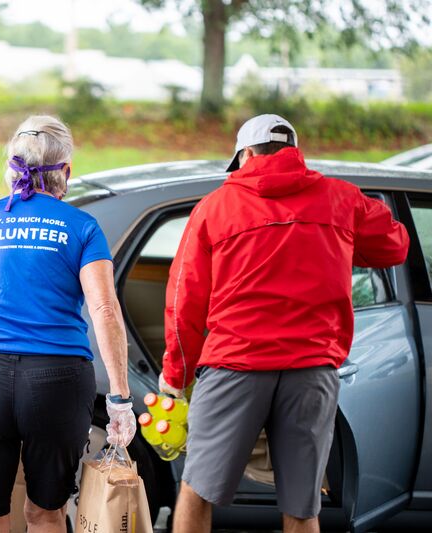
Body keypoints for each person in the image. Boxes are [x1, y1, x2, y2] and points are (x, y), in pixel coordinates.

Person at [158, 114, 410, 533]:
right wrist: (340, 241)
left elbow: (184, 301)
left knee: (197, 489)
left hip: (234, 366)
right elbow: (395, 246)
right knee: (302, 505)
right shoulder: (341, 199)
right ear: (294, 152)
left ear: (247, 154)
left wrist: (176, 375)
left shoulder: (215, 208)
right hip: (311, 370)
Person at [0, 115, 136, 533]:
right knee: (46, 512)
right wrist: (120, 398)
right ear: (66, 172)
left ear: (11, 169)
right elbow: (105, 311)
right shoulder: (83, 228)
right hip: (57, 380)